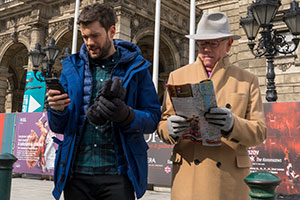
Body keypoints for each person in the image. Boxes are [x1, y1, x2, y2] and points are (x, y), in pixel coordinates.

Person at [46, 3, 161, 200]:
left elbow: (153, 119)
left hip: (118, 175)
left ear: (112, 31)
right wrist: (56, 110)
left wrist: (127, 115)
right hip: (76, 174)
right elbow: (59, 126)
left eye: (95, 35)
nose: (88, 42)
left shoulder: (137, 68)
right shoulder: (70, 69)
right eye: (84, 37)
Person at [158, 12, 267, 200]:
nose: (206, 49)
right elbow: (163, 124)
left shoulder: (247, 80)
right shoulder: (178, 76)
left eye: (213, 43)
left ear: (229, 44)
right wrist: (169, 129)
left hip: (229, 181)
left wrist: (233, 124)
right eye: (201, 44)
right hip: (189, 176)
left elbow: (259, 132)